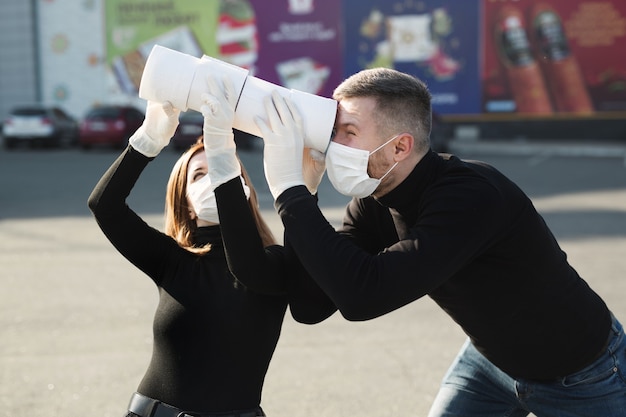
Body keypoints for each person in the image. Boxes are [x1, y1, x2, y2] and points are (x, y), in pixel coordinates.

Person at [253, 67, 626, 417]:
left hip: (583, 373)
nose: (332, 144)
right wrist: (307, 191)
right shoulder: (373, 199)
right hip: (492, 361)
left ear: (400, 147)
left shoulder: (471, 196)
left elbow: (363, 295)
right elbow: (310, 305)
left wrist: (290, 194)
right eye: (332, 130)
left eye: (348, 132)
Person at [88, 76, 334, 417]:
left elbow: (299, 289)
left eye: (224, 170)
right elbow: (105, 206)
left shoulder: (275, 263)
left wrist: (304, 190)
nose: (215, 180)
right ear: (186, 201)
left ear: (246, 191)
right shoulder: (171, 260)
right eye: (199, 176)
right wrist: (148, 140)